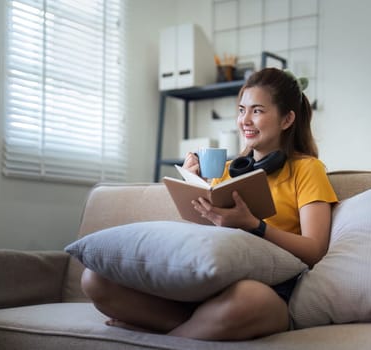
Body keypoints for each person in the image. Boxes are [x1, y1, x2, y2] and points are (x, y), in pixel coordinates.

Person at [81, 67, 338, 340]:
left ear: (287, 119)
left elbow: (315, 249)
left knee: (246, 299)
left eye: (257, 111)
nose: (245, 120)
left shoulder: (307, 169)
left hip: (266, 290)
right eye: (241, 110)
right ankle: (192, 331)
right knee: (95, 279)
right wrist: (194, 186)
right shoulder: (226, 171)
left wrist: (255, 226)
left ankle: (164, 336)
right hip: (207, 285)